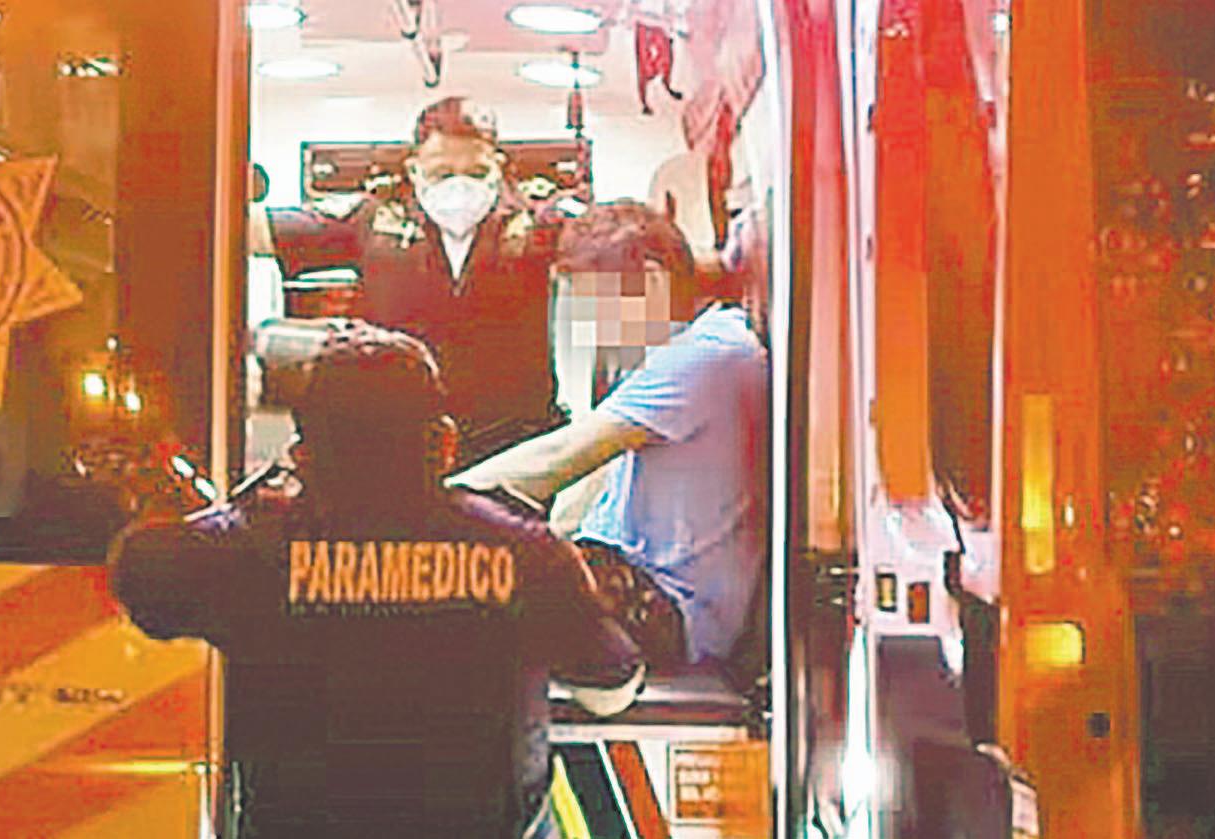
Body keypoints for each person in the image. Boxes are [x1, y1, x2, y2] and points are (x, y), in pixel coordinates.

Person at [111, 320, 644, 838]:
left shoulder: (247, 550)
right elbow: (611, 688)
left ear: (304, 454)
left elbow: (141, 574)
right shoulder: (525, 553)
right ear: (444, 444)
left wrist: (243, 511)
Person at [450, 202, 770, 684]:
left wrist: (431, 504)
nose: (592, 330)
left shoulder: (709, 355)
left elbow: (558, 458)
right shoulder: (674, 356)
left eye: (596, 305)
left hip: (668, 611)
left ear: (652, 282)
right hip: (632, 580)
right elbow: (581, 490)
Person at [256, 97, 566, 465]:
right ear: (414, 168)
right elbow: (247, 230)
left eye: (476, 172)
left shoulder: (539, 222)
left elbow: (611, 245)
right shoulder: (374, 219)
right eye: (442, 173)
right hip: (392, 435)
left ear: (498, 166)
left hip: (513, 439)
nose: (459, 186)